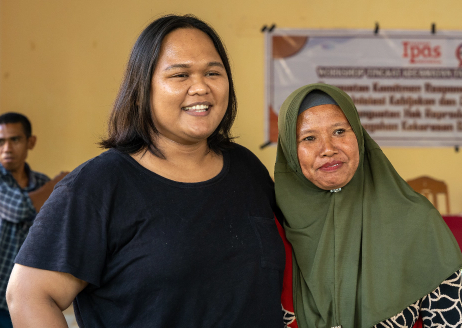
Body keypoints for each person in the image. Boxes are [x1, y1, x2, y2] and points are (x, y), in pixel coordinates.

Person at [6, 15, 285, 328]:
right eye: (180, 75)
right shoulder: (98, 185)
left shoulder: (247, 169)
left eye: (213, 72)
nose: (201, 87)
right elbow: (28, 295)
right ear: (142, 88)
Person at [274, 83, 462, 328]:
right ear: (290, 151)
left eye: (339, 131)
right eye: (309, 138)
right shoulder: (269, 226)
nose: (328, 149)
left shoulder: (417, 221)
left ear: (358, 135)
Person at [0, 112, 68, 328]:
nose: (7, 148)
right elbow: (18, 209)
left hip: (25, 298)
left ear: (31, 142)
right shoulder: (49, 186)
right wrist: (57, 185)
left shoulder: (41, 181)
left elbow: (56, 231)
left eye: (15, 139)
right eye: (1, 141)